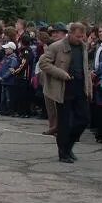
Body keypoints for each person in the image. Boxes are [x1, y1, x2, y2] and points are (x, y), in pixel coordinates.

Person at [39, 22, 93, 164]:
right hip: (63, 88)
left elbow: (85, 69)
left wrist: (89, 87)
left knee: (84, 119)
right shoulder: (56, 46)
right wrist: (61, 73)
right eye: (77, 36)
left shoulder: (83, 47)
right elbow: (43, 63)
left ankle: (68, 146)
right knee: (64, 123)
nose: (80, 39)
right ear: (70, 33)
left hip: (79, 87)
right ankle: (63, 152)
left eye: (82, 36)